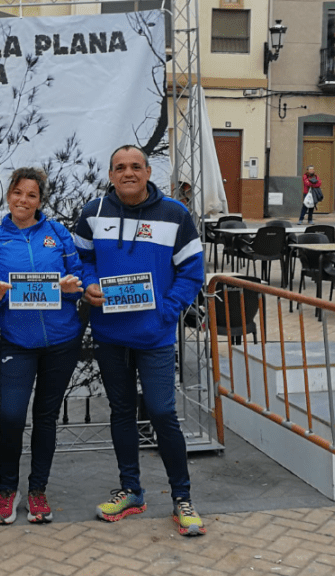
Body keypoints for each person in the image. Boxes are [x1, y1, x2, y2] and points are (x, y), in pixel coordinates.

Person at [73, 145, 205, 536]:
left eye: (135, 166)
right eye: (120, 167)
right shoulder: (92, 213)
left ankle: (182, 497)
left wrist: (168, 309)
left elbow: (192, 270)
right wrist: (89, 285)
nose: (128, 173)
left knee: (162, 413)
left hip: (155, 334)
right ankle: (131, 490)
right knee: (121, 412)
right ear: (110, 175)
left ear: (148, 172)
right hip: (110, 334)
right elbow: (81, 260)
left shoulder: (175, 214)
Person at [0, 167, 85, 525]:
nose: (23, 200)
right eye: (18, 192)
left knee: (45, 417)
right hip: (18, 342)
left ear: (40, 201)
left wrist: (71, 289)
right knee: (11, 416)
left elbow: (77, 281)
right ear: (8, 195)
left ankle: (38, 490)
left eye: (31, 195)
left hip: (61, 341)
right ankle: (7, 490)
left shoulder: (58, 233)